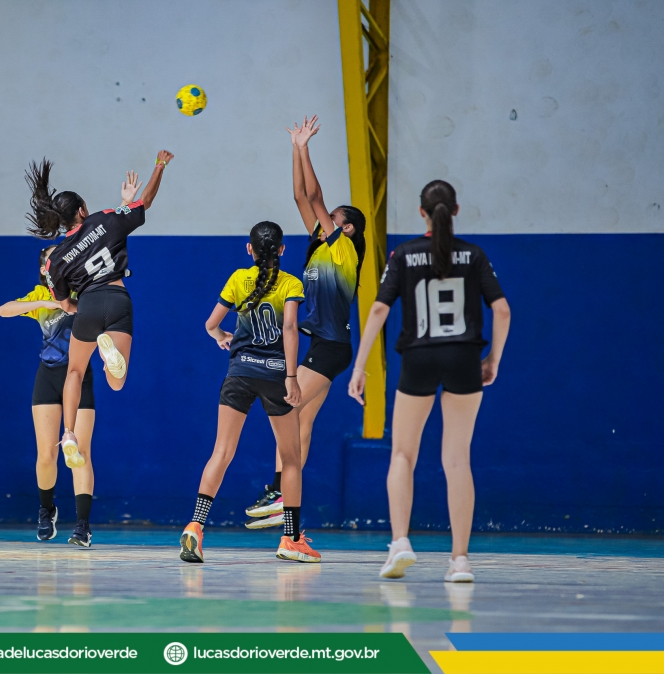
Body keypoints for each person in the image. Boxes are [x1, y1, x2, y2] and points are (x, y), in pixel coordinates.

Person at [347, 180, 511, 582]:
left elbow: (379, 311)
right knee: (457, 460)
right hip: (464, 358)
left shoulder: (403, 255)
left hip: (418, 358)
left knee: (402, 455)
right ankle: (460, 560)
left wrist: (359, 367)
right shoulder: (474, 255)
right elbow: (503, 310)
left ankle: (400, 542)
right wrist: (493, 359)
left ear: (422, 212)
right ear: (455, 211)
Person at [25, 150, 173, 547]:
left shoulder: (54, 259)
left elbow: (63, 302)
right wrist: (158, 167)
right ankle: (111, 358)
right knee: (116, 381)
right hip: (118, 298)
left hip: (87, 305)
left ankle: (69, 433)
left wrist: (76, 305)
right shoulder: (105, 220)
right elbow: (146, 202)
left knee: (75, 371)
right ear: (82, 210)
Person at [246, 116, 368, 529]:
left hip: (331, 346)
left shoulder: (344, 251)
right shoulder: (320, 249)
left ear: (347, 228)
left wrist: (306, 147)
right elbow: (301, 195)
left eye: (333, 218)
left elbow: (315, 196)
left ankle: (279, 490)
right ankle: (287, 510)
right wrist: (294, 150)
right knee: (301, 420)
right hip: (322, 344)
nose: (324, 220)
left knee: (286, 405)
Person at [180, 221, 321, 565]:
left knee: (221, 452)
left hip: (239, 374)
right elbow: (290, 328)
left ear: (249, 249)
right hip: (275, 376)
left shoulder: (237, 279)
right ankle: (291, 538)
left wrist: (221, 337)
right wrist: (292, 377)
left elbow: (210, 324)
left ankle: (195, 525)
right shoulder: (291, 283)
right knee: (291, 459)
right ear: (282, 250)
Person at [0, 246, 96, 543]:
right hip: (48, 377)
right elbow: (4, 310)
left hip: (79, 377)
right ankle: (46, 510)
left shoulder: (83, 292)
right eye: (55, 259)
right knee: (46, 454)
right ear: (45, 269)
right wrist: (45, 302)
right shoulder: (40, 296)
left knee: (80, 453)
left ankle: (83, 525)